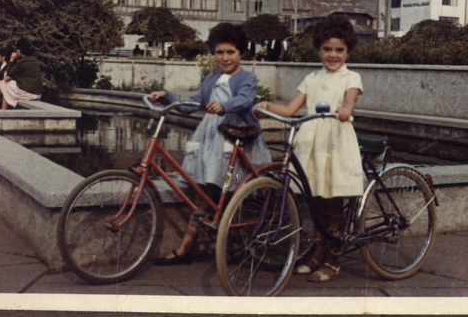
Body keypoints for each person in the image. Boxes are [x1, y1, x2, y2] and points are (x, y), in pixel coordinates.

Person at [149, 23, 271, 265]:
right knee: (205, 189)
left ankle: (239, 244)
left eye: (230, 52)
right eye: (219, 52)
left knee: (233, 191)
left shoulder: (247, 77)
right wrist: (169, 97)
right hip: (211, 136)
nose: (224, 58)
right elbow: (191, 104)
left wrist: (225, 106)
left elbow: (244, 99)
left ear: (242, 53)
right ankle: (187, 247)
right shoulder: (211, 79)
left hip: (235, 135)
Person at [254, 16, 363, 283]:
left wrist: (346, 109)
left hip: (334, 141)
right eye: (327, 49)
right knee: (314, 200)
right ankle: (318, 253)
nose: (333, 55)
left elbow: (350, 98)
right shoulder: (311, 78)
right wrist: (268, 106)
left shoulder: (351, 77)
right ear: (318, 50)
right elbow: (291, 109)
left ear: (347, 51)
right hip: (310, 141)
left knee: (332, 201)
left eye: (339, 50)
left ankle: (334, 260)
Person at [0, 37, 43, 109]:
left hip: (28, 94)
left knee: (5, 82)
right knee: (8, 86)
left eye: (17, 49)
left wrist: (11, 60)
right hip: (37, 95)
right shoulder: (34, 60)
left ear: (19, 50)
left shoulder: (22, 62)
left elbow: (9, 74)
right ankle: (2, 109)